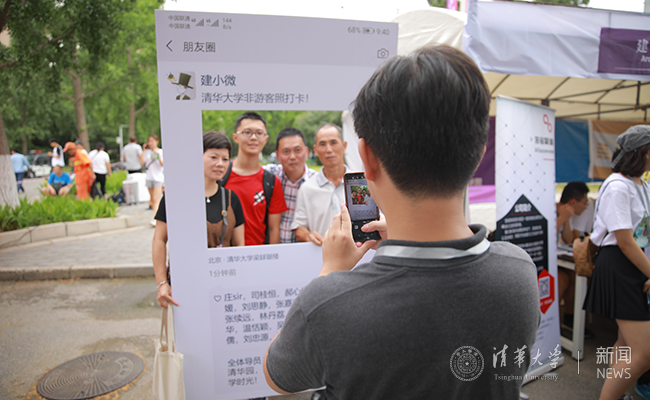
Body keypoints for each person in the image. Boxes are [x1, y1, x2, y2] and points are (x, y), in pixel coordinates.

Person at [264, 45, 540, 399]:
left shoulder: (329, 302)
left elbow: (277, 375)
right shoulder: (518, 270)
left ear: (366, 158)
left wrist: (330, 271)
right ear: (479, 153)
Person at [583, 124, 650, 400]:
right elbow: (624, 240)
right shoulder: (617, 186)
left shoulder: (641, 184)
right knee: (644, 352)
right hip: (620, 264)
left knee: (625, 343)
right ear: (644, 152)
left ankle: (618, 394)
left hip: (635, 263)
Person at [153, 131, 245, 308]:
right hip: (183, 286)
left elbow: (239, 245)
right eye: (213, 157)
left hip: (223, 287)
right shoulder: (175, 196)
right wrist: (162, 283)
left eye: (225, 159)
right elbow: (159, 239)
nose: (220, 164)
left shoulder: (231, 199)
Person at [222, 112, 287, 245]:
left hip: (258, 254)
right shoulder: (220, 175)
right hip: (224, 254)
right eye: (247, 132)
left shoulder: (271, 182)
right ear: (235, 137)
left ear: (266, 139)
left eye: (259, 133)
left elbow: (274, 229)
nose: (253, 137)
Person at [291, 124, 347, 246]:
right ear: (315, 150)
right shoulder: (307, 188)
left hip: (360, 255)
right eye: (322, 144)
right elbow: (299, 227)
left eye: (333, 142)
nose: (328, 149)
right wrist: (308, 235)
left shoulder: (362, 183)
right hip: (322, 254)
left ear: (344, 146)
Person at [263, 128, 317, 243]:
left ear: (306, 152)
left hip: (306, 248)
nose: (292, 157)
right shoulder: (270, 175)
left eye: (297, 150)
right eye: (286, 151)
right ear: (277, 155)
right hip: (274, 247)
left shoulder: (317, 182)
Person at [556, 181, 593, 336]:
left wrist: (566, 220)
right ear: (573, 202)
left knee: (574, 274)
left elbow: (568, 239)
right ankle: (551, 323)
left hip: (558, 258)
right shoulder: (551, 210)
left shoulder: (568, 214)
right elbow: (546, 236)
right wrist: (561, 218)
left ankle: (570, 318)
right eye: (584, 202)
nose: (585, 207)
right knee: (563, 279)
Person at [143, 134, 164, 227]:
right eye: (149, 141)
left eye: (152, 141)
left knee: (156, 199)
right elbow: (142, 163)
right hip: (149, 177)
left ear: (157, 141)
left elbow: (163, 164)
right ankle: (156, 216)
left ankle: (156, 218)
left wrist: (158, 156)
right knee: (153, 199)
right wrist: (144, 150)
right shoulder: (147, 152)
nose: (150, 143)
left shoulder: (160, 151)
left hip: (158, 178)